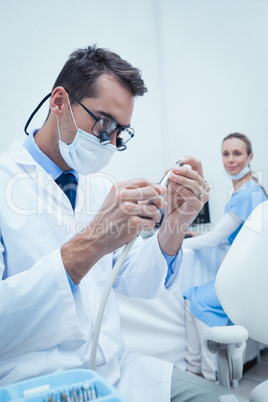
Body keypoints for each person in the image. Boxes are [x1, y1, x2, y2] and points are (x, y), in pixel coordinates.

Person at [0, 45, 247, 402]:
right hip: (37, 384)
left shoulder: (97, 185)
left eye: (121, 132)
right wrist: (89, 245)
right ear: (58, 103)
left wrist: (174, 224)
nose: (110, 142)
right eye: (103, 124)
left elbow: (135, 280)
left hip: (118, 373)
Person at [183, 133, 267, 381]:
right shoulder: (249, 190)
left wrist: (179, 238)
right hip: (253, 276)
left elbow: (215, 239)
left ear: (250, 157)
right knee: (191, 298)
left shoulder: (247, 194)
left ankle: (211, 379)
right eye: (226, 153)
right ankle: (194, 370)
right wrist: (195, 234)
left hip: (249, 282)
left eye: (237, 153)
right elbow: (225, 232)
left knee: (199, 301)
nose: (231, 160)